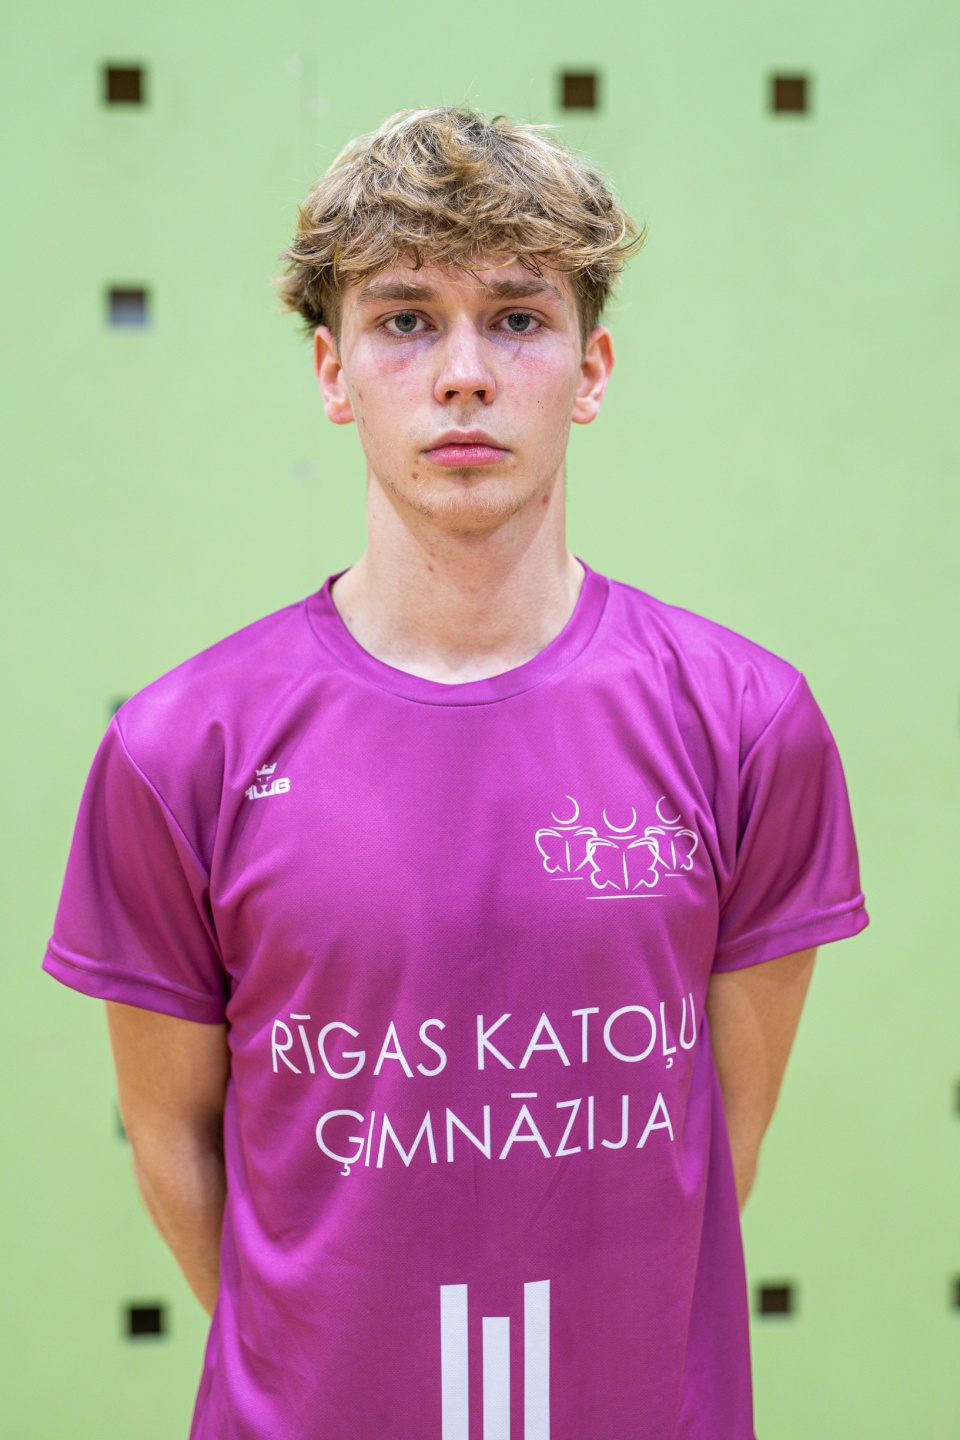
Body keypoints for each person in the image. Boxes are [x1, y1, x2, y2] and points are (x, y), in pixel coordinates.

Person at [43, 106, 868, 1440]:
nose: (465, 375)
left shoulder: (748, 723)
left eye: (519, 319)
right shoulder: (179, 749)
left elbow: (716, 1150)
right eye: (407, 321)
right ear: (334, 371)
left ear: (592, 368)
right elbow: (173, 1145)